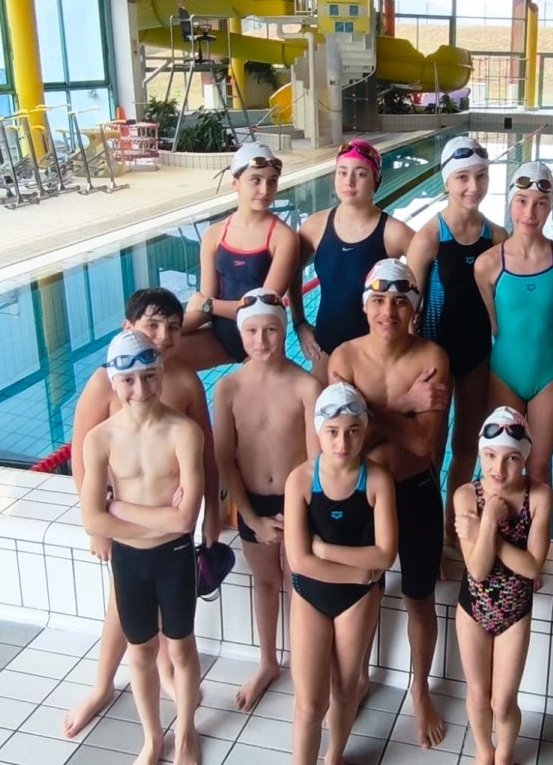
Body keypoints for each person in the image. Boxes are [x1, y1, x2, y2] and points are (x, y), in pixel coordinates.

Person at [63, 288, 219, 738]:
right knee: (126, 615)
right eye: (153, 326)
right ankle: (102, 685)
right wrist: (98, 524)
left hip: (167, 534)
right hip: (127, 531)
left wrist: (209, 510)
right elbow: (80, 456)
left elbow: (206, 455)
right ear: (128, 328)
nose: (164, 336)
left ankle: (169, 680)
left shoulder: (185, 382)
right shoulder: (105, 383)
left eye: (173, 327)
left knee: (167, 629)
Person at [328, 258, 451, 748]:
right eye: (379, 300)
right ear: (365, 306)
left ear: (414, 309)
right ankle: (359, 678)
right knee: (364, 594)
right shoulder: (344, 357)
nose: (388, 311)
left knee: (419, 598)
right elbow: (343, 446)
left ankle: (420, 690)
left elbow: (422, 444)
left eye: (400, 301)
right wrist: (402, 405)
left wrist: (363, 411)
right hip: (364, 497)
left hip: (416, 492)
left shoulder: (433, 357)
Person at [80, 330, 205, 765]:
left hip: (175, 558)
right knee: (141, 654)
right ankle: (152, 738)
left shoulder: (184, 433)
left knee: (182, 648)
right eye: (129, 380)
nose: (141, 389)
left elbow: (185, 520)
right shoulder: (100, 439)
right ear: (114, 382)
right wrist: (157, 515)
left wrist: (118, 506)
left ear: (162, 374)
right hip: (130, 560)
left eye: (150, 376)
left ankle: (185, 731)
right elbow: (92, 520)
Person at [212, 288, 322, 711]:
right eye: (253, 331)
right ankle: (268, 663)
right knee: (265, 582)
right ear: (241, 334)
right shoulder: (228, 388)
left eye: (271, 330)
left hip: (297, 503)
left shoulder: (306, 386)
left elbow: (315, 462)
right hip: (252, 504)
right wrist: (252, 518)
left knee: (299, 584)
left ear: (284, 331)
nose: (262, 340)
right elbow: (225, 458)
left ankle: (303, 665)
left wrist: (298, 514)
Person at [406, 136, 507, 571]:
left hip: (478, 357)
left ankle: (453, 531)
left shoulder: (497, 237)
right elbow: (408, 308)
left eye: (481, 176)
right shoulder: (430, 237)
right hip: (436, 358)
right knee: (430, 448)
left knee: (466, 446)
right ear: (447, 181)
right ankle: (427, 530)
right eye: (463, 177)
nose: (473, 186)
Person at [284, 382, 397, 765]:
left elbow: (385, 555)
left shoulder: (377, 480)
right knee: (309, 703)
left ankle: (334, 757)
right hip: (312, 594)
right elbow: (298, 561)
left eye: (352, 431)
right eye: (332, 432)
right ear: (319, 430)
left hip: (356, 600)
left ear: (365, 430)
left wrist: (326, 551)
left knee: (346, 690)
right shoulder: (301, 480)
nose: (342, 443)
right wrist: (359, 574)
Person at [454, 406, 553, 765]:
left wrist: (488, 530)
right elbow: (478, 570)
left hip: (515, 612)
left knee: (504, 701)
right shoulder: (466, 496)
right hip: (473, 607)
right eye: (490, 456)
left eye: (512, 458)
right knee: (479, 696)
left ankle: (506, 755)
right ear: (481, 453)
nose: (498, 468)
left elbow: (532, 566)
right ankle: (484, 752)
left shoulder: (538, 497)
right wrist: (489, 521)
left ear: (524, 459)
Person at [475, 161, 553, 486]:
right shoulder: (487, 265)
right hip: (504, 376)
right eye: (522, 201)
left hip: (548, 376)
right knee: (502, 470)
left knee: (540, 469)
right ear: (510, 203)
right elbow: (495, 326)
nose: (530, 213)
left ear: (551, 207)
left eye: (540, 203)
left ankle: (538, 523)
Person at [292, 139, 414, 377]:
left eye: (360, 174)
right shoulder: (315, 226)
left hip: (377, 355)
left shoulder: (394, 232)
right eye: (342, 172)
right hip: (325, 347)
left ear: (376, 180)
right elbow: (291, 271)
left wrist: (409, 329)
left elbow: (428, 275)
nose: (349, 181)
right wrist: (299, 324)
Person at [178, 141, 298, 371]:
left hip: (262, 343)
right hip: (219, 339)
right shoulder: (214, 235)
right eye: (256, 180)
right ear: (236, 183)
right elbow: (202, 309)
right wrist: (163, 332)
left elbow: (263, 310)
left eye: (272, 181)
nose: (265, 190)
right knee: (159, 356)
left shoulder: (283, 237)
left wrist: (208, 305)